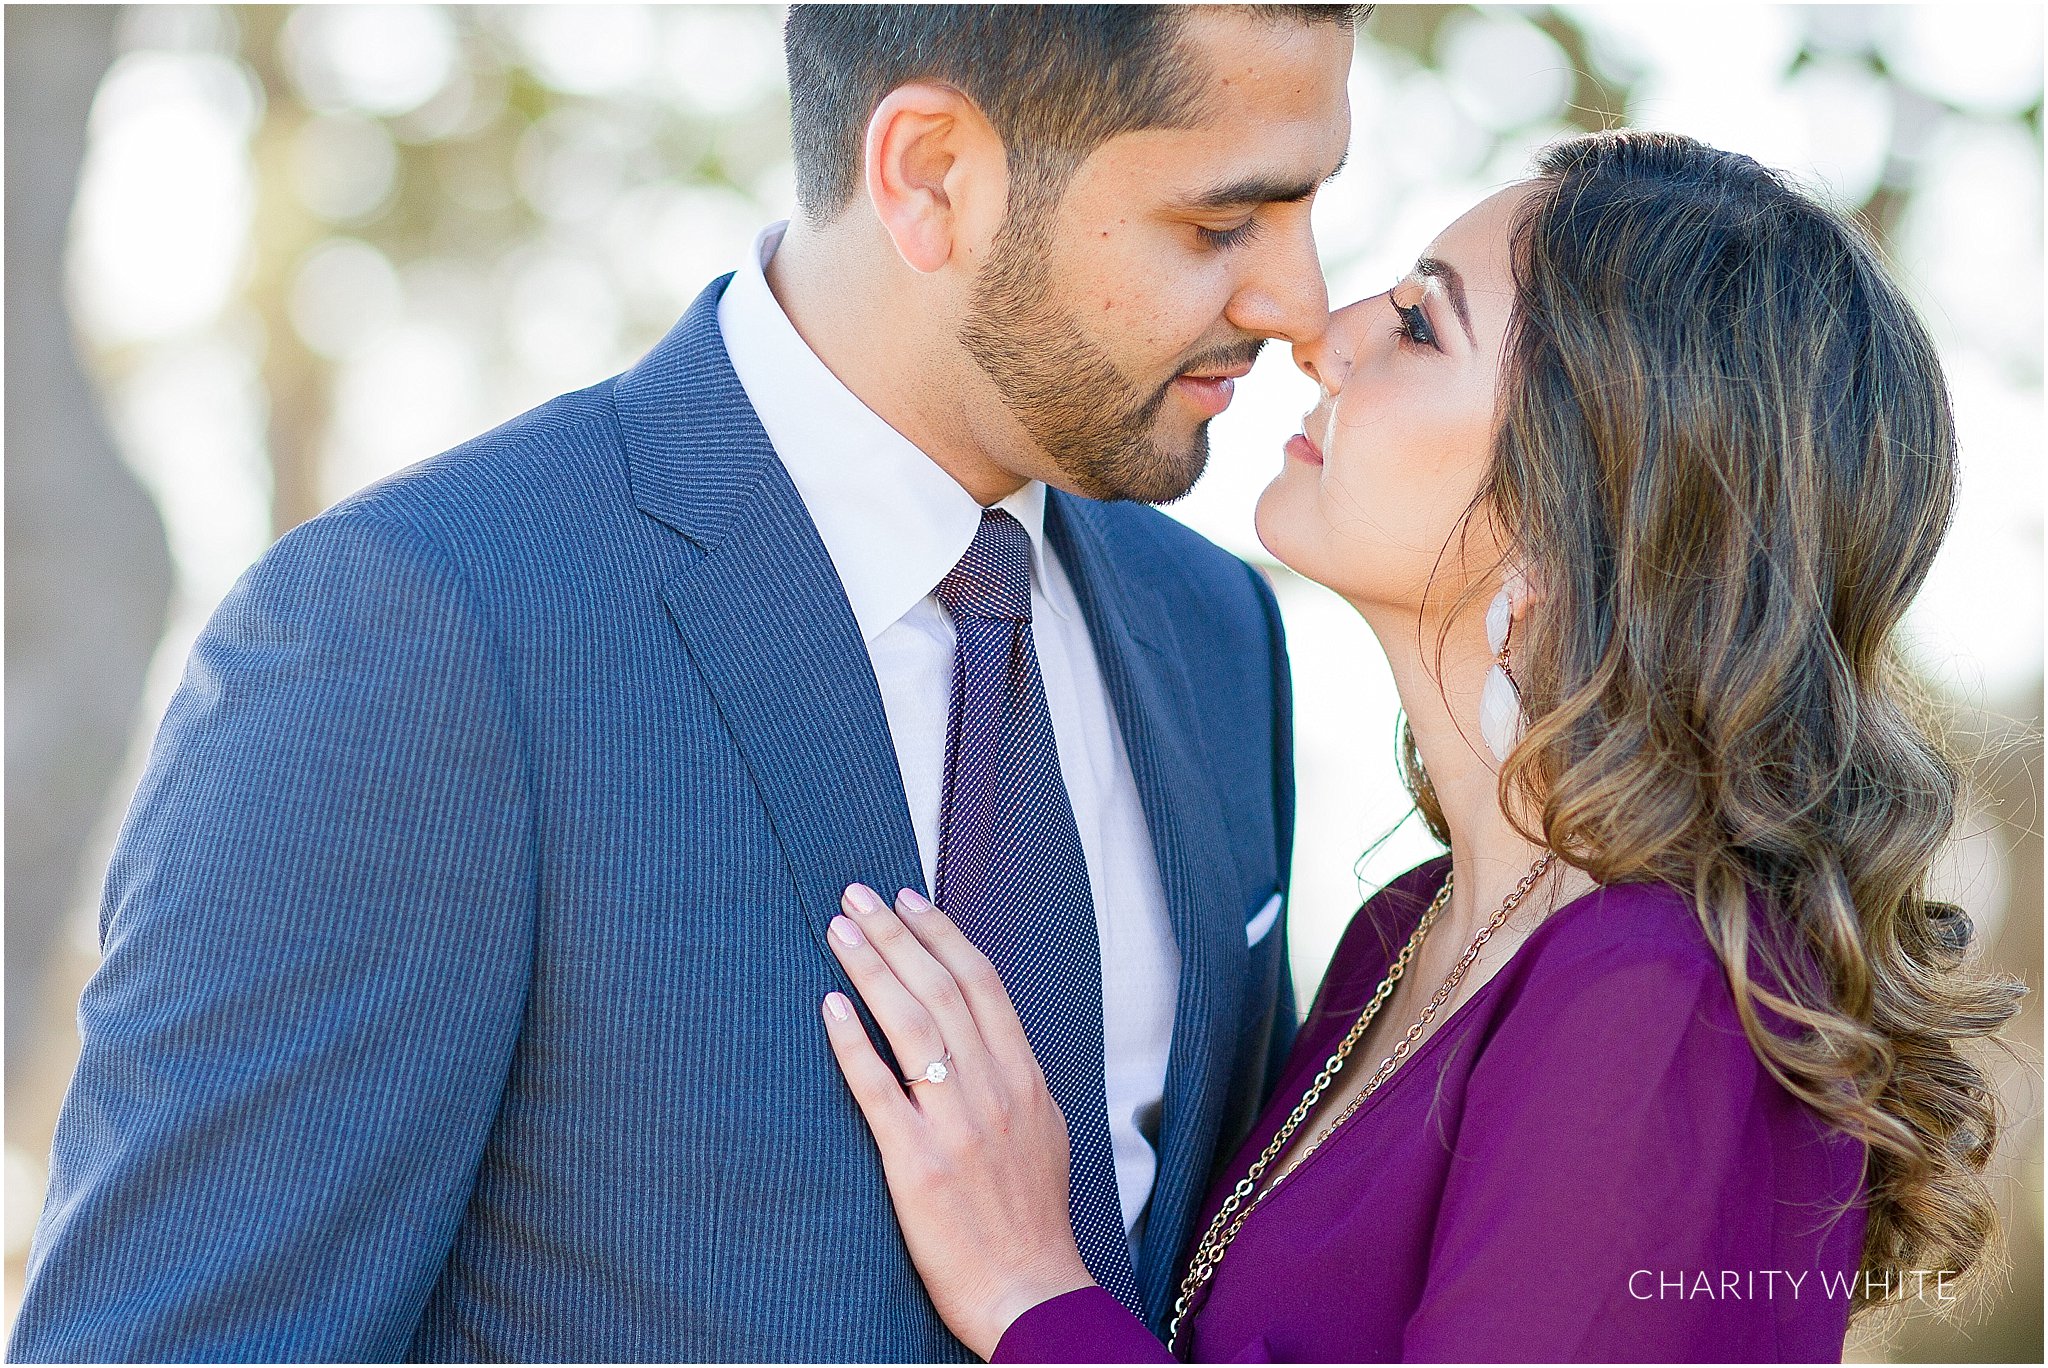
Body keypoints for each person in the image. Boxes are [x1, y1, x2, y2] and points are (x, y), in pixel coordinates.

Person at [10, 6, 1366, 1361]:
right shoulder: (426, 630)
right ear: (931, 174)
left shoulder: (1215, 633)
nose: (1299, 307)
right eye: (1220, 223)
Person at [817, 130, 2025, 1362]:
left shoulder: (1665, 1001)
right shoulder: (1404, 933)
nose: (1324, 333)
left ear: (1580, 509)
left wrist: (1030, 1293)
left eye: (1415, 326)